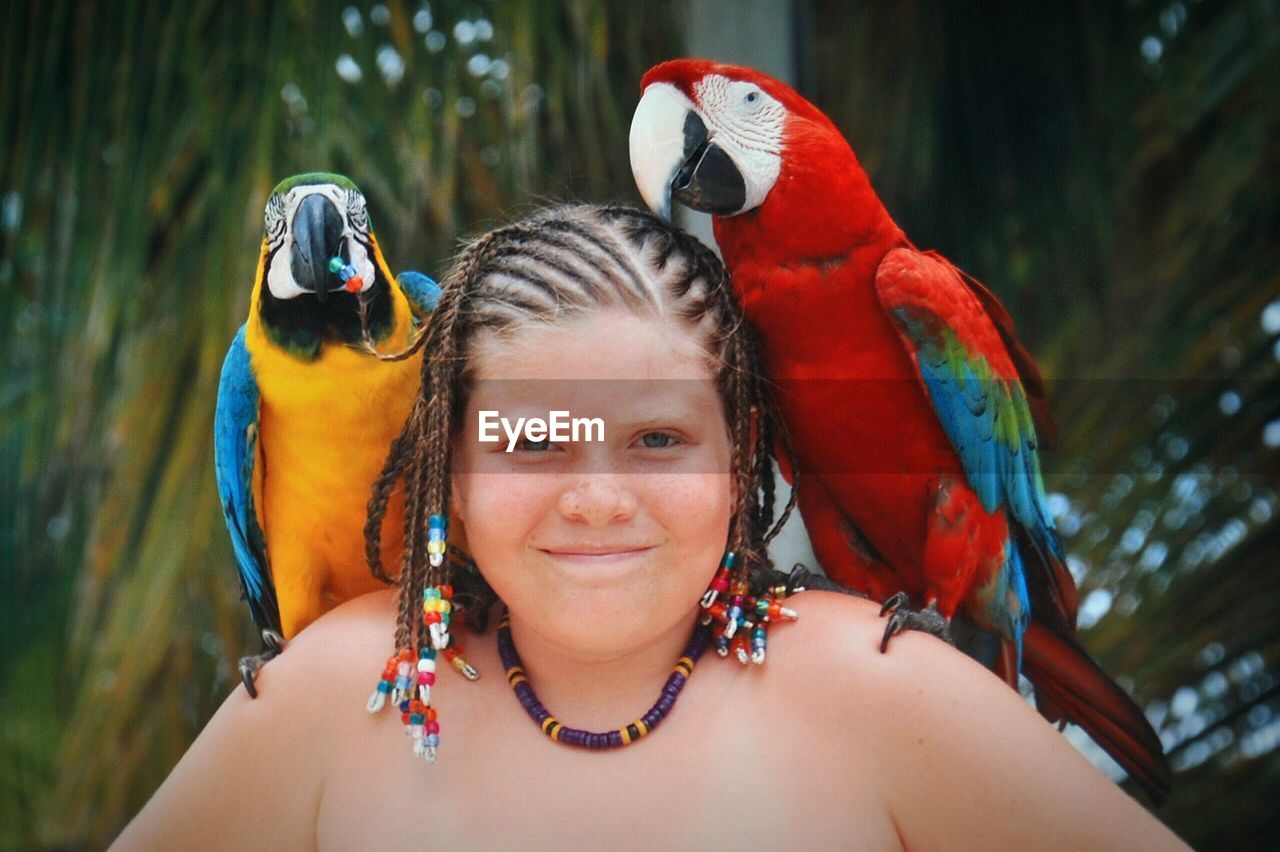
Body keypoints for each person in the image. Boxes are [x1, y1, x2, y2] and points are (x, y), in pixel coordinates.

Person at [113, 203, 1186, 850]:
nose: (595, 496)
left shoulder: (887, 691)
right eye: (533, 439)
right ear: (444, 464)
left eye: (658, 441)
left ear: (742, 452)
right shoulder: (327, 695)